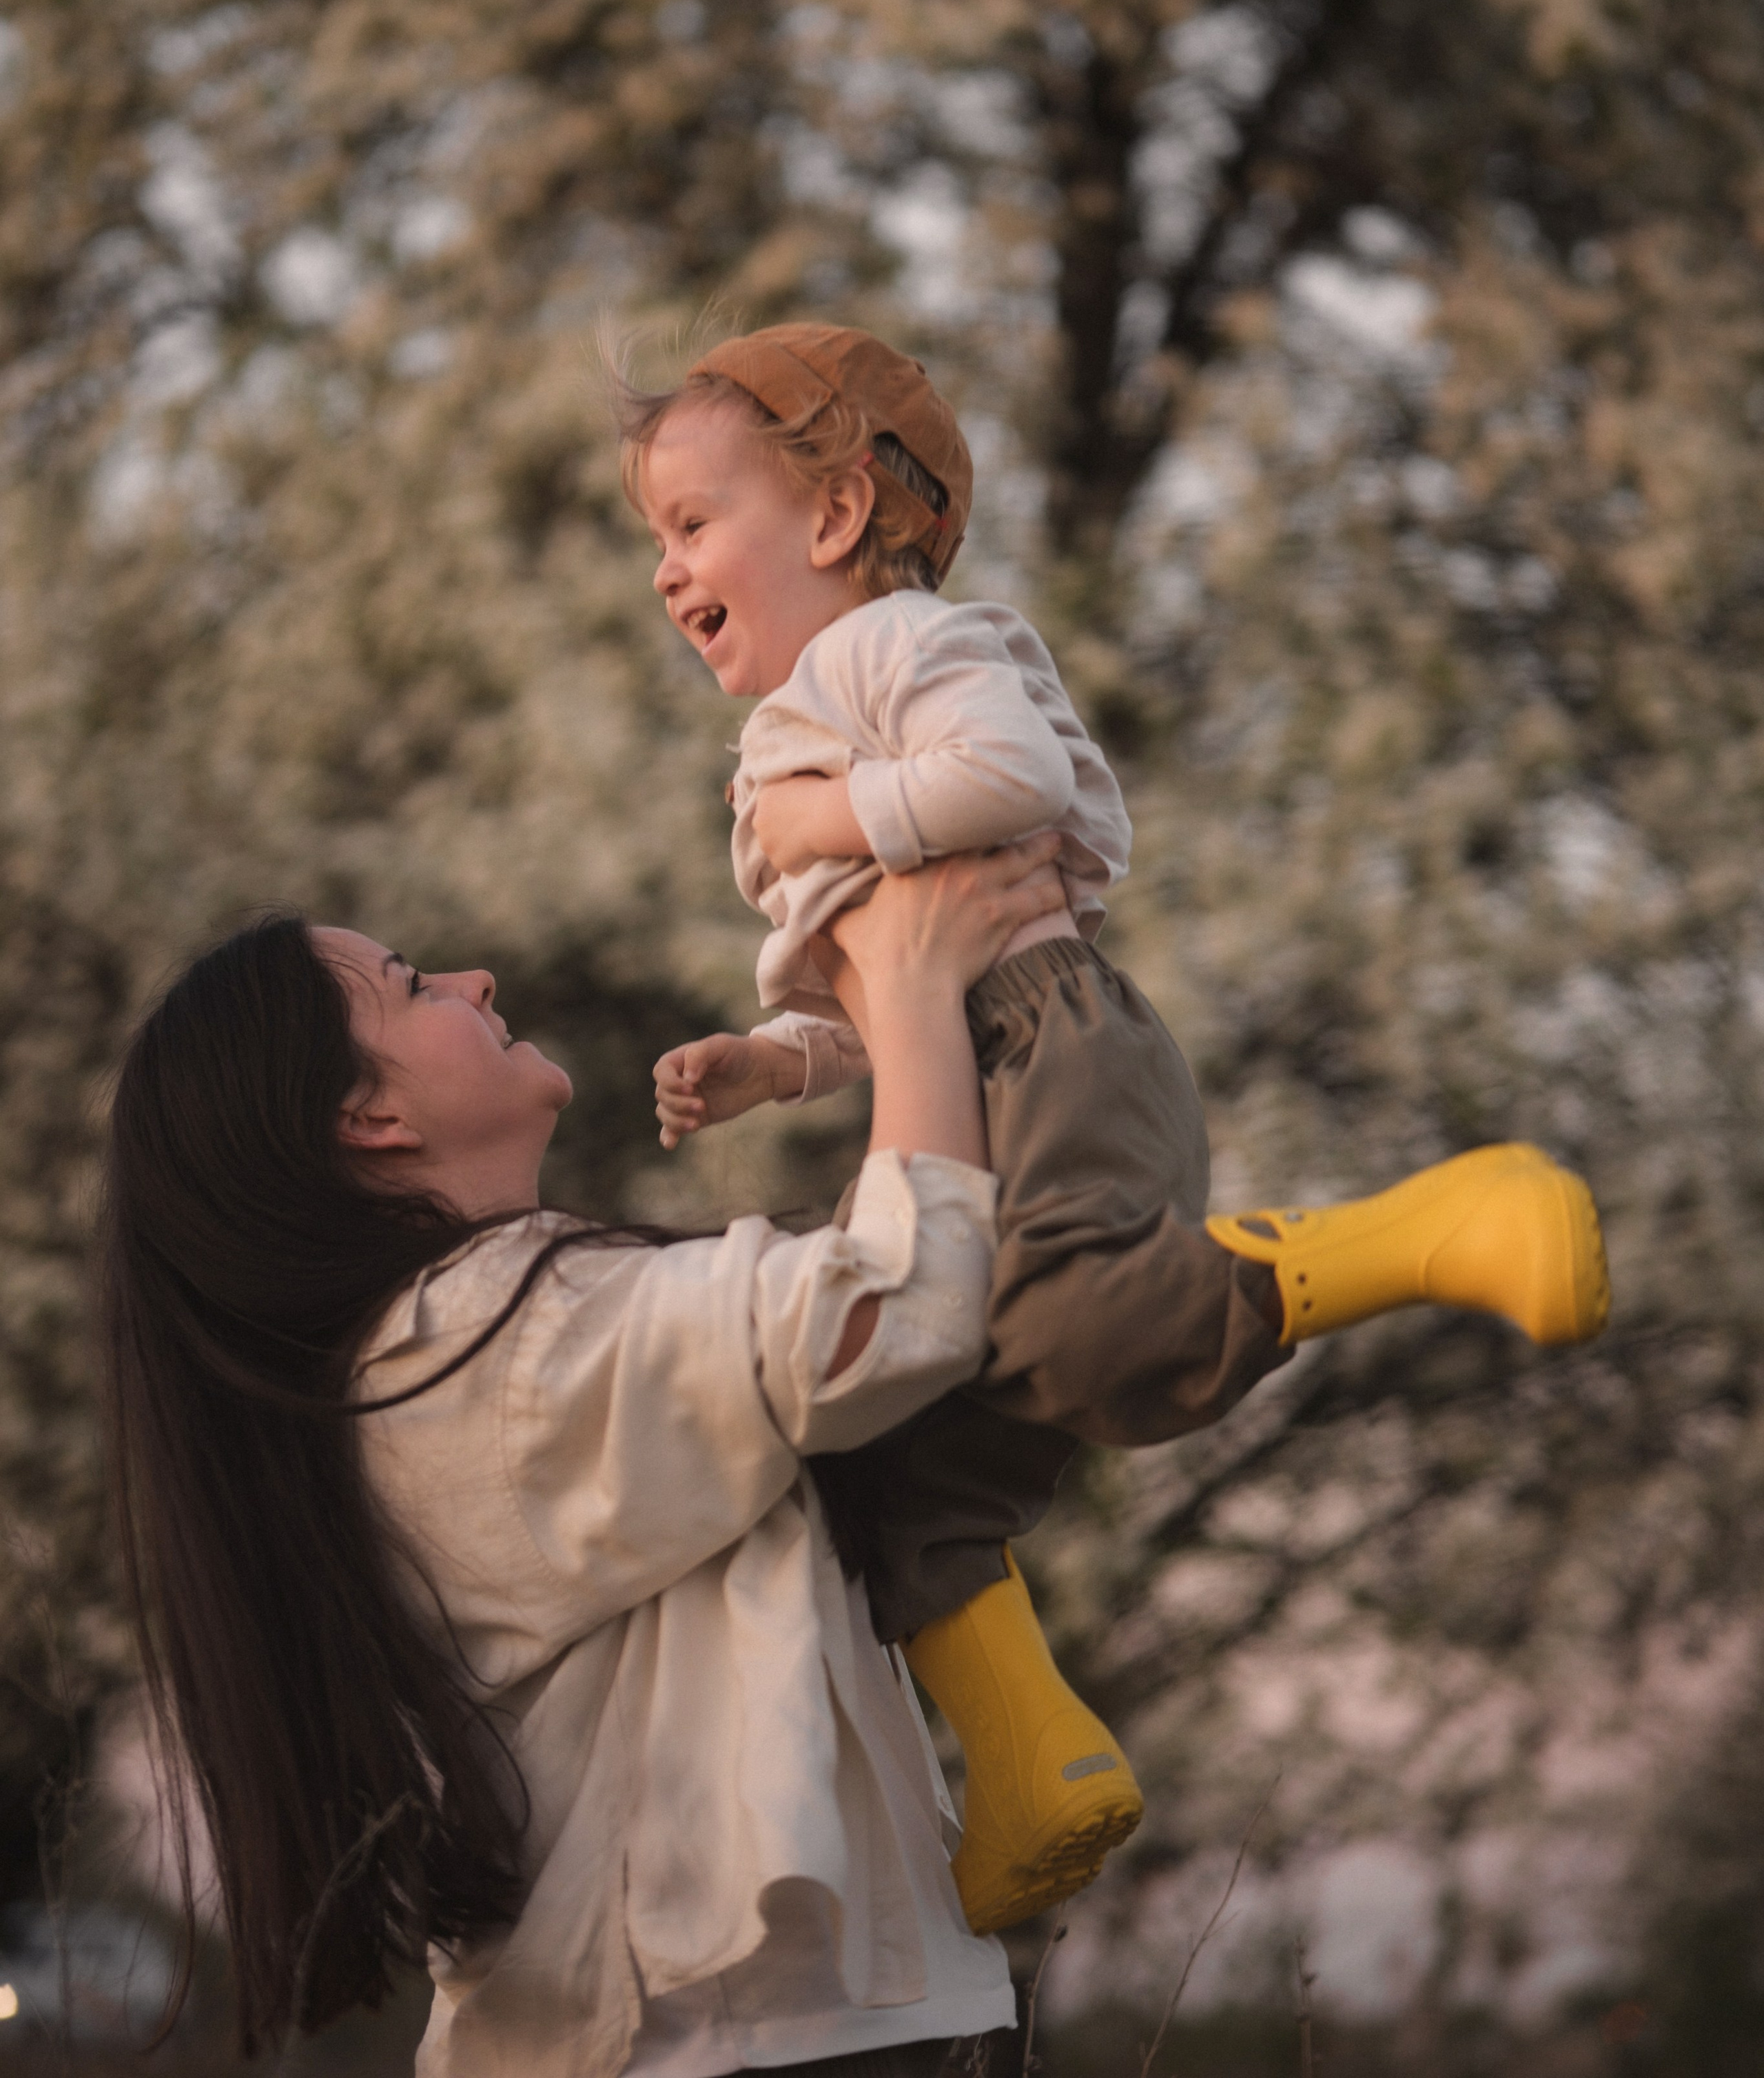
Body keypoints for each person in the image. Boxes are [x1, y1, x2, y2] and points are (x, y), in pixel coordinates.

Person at [619, 321, 1612, 1934]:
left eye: (689, 521)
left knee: (1078, 1327)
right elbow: (882, 982)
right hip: (964, 1056)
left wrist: (829, 811)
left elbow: (1004, 775)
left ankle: (1439, 1223)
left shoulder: (896, 647)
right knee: (893, 1462)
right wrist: (775, 1064)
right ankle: (1030, 1760)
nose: (666, 570)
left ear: (830, 520)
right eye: (652, 538)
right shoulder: (792, 719)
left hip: (1052, 1044)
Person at [97, 837, 1074, 2073]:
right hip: (737, 2043)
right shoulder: (490, 1345)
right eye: (412, 986)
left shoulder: (458, 1347)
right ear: (370, 1116)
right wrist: (915, 975)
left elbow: (871, 1303)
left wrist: (846, 1032)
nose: (477, 979)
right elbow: (892, 1304)